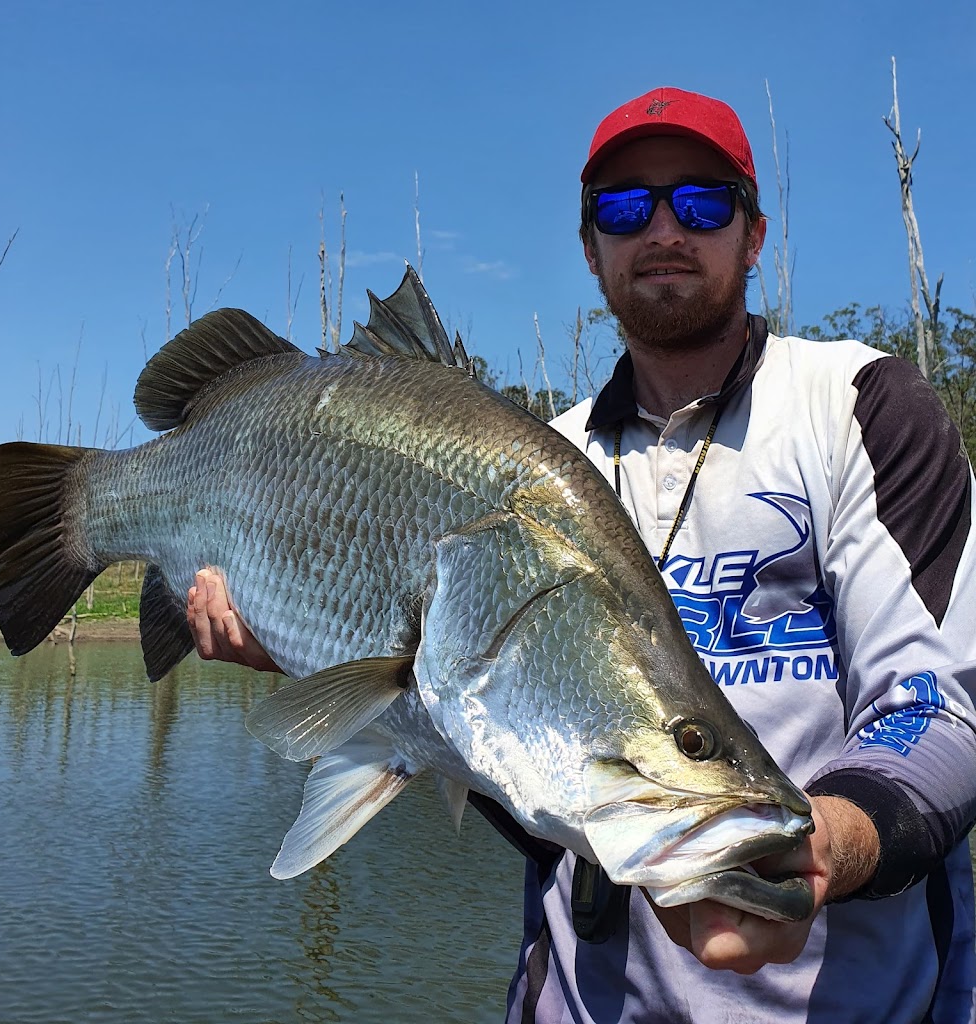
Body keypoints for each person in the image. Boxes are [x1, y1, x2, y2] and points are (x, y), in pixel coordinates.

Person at [186, 87, 976, 1022]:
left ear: (754, 234)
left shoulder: (858, 404)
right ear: (590, 247)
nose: (664, 227)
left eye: (703, 200)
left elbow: (942, 711)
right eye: (624, 206)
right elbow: (512, 768)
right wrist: (310, 639)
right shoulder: (538, 453)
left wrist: (827, 848)